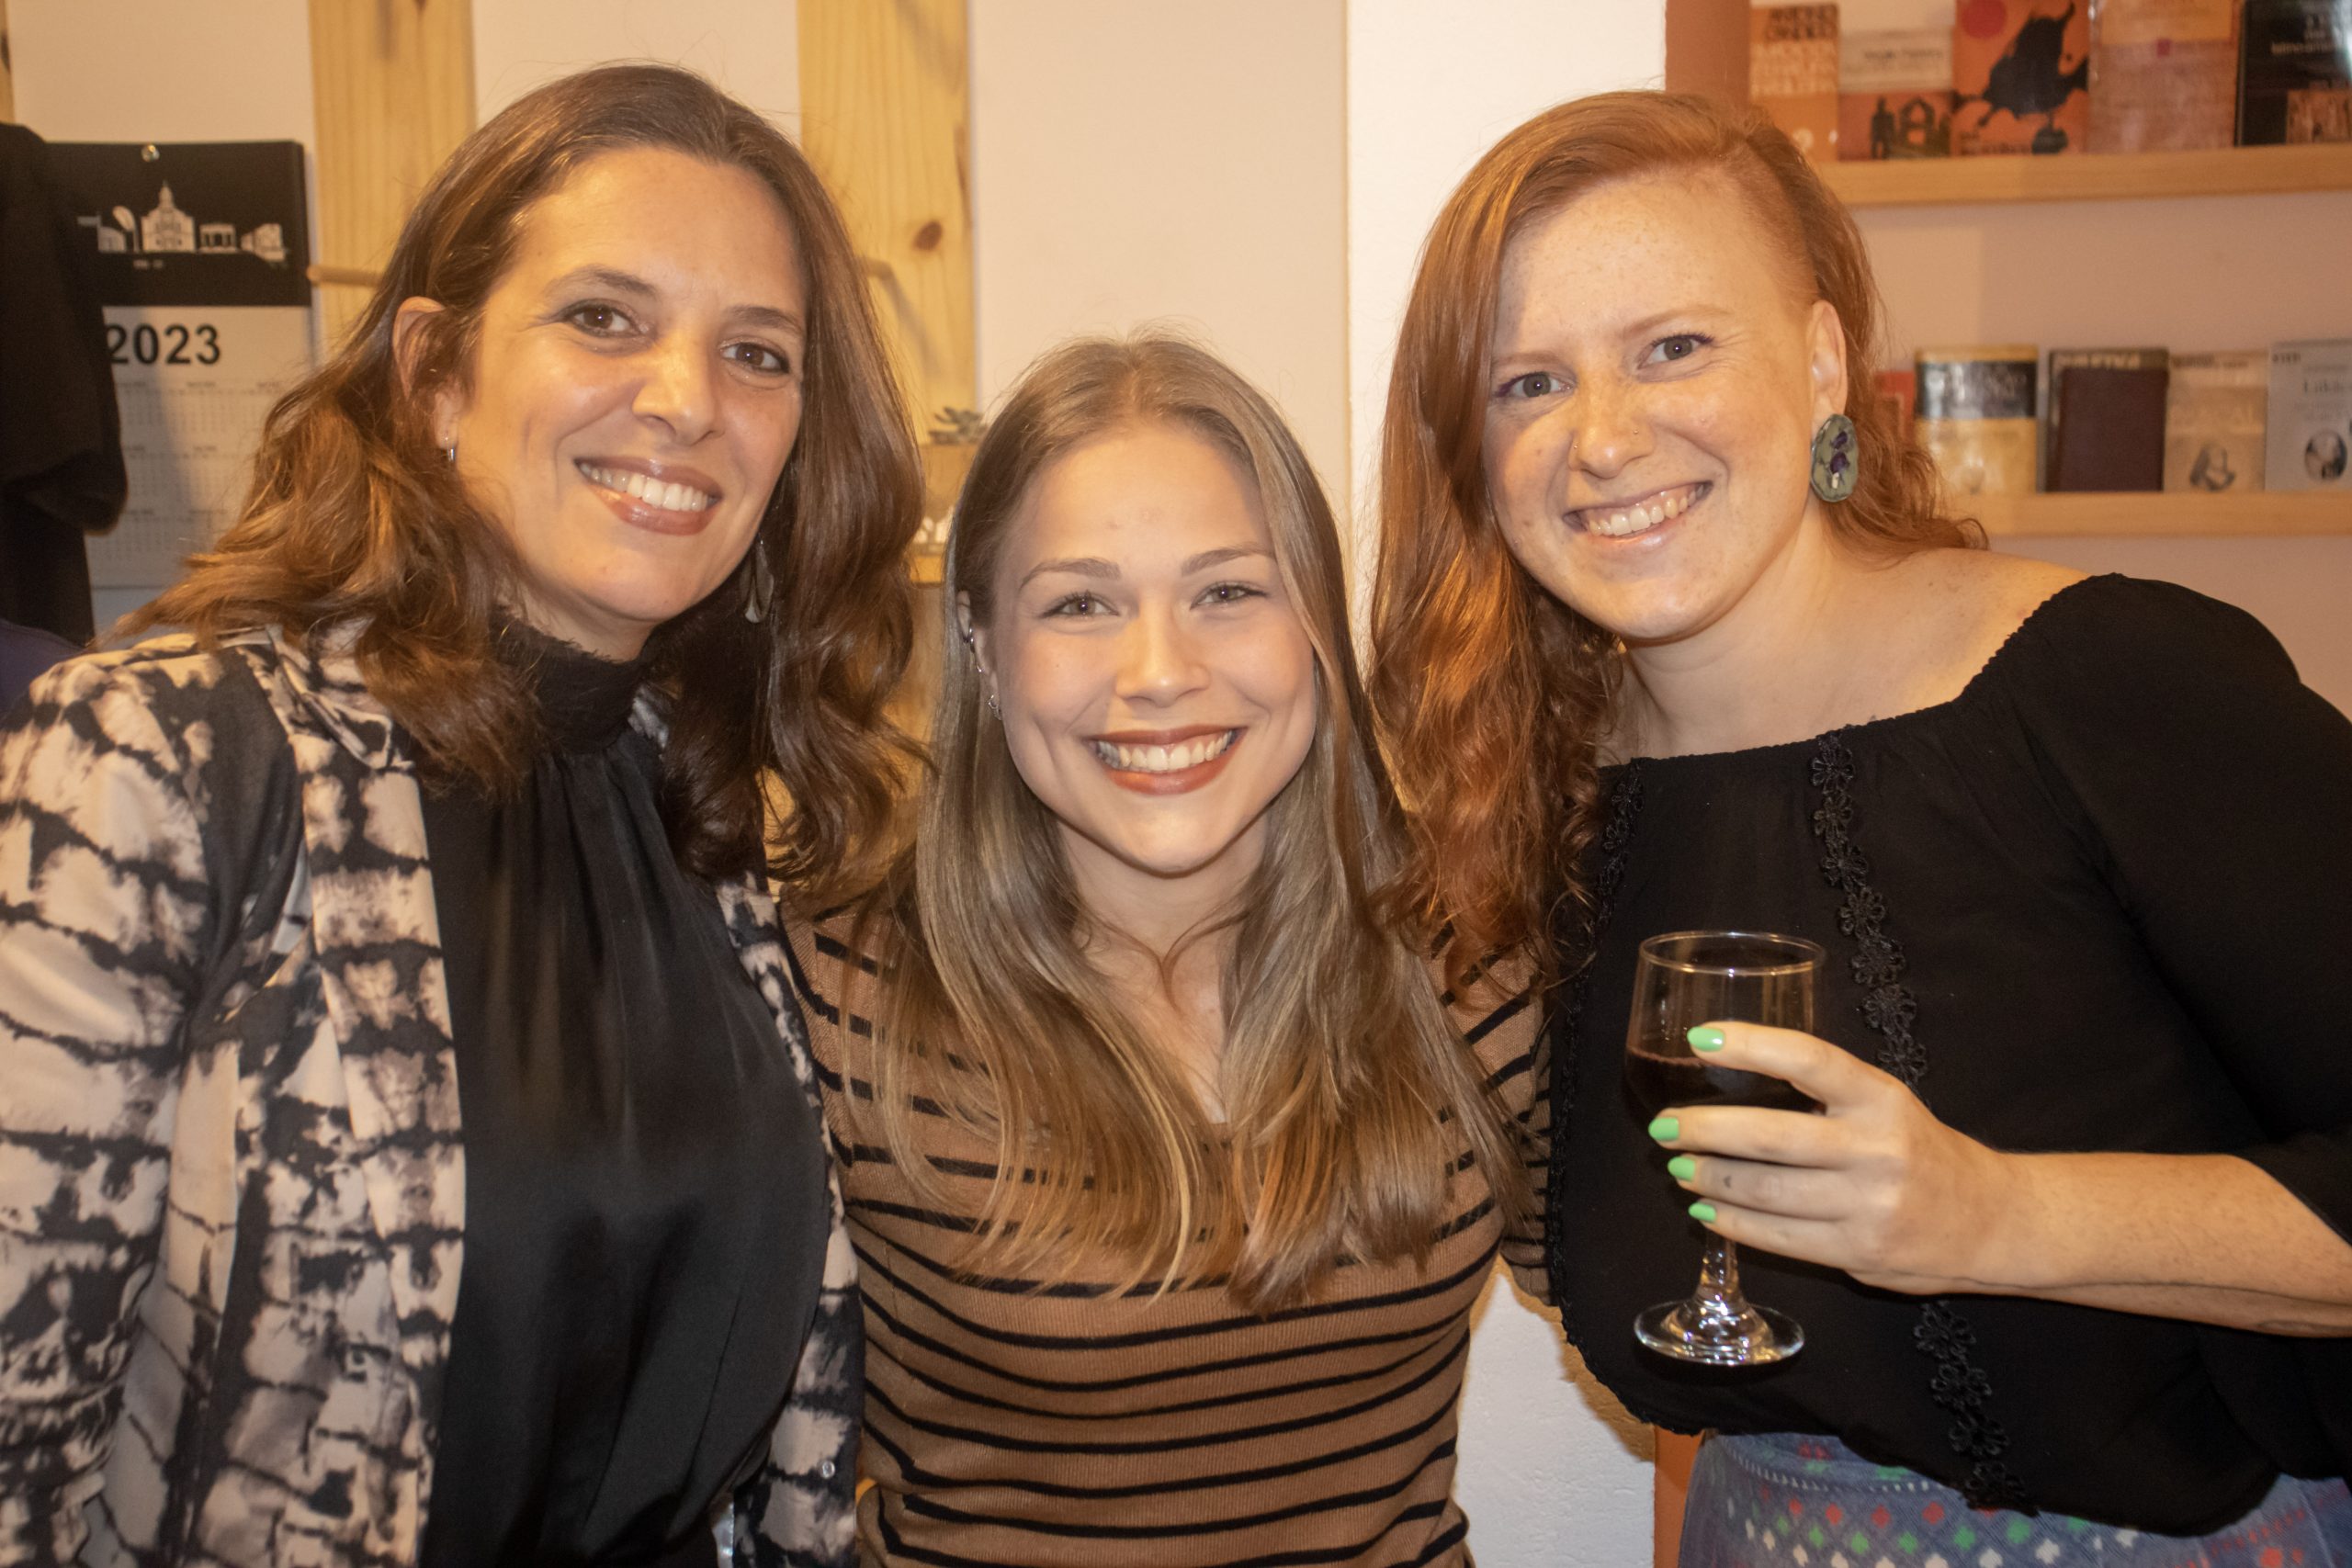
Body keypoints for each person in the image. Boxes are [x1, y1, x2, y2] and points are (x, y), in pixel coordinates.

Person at [1372, 91, 2352, 1564]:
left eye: (1674, 347)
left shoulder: (2109, 684)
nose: (1604, 439)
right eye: (1529, 382)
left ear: (1823, 360)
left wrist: (1997, 1215)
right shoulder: (1539, 802)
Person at [0, 63, 920, 1566]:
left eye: (756, 352)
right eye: (603, 317)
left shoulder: (714, 804)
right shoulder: (163, 757)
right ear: (434, 373)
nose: (688, 402)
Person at [783, 333, 1546, 1566]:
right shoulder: (830, 997)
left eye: (1227, 593)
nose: (1159, 674)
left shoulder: (1471, 964)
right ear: (981, 642)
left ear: (1314, 620)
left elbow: (1695, 1330)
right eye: (1080, 604)